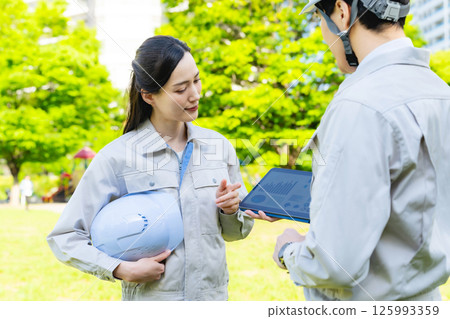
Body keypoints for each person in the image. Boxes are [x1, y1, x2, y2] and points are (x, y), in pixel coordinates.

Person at [247, 0, 450, 301]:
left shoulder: (360, 105)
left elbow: (334, 264)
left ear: (342, 12)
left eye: (318, 17)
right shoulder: (440, 91)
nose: (321, 34)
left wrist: (288, 250)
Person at [47, 35, 254, 301]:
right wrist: (120, 269)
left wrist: (231, 210)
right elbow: (65, 237)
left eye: (196, 80)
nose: (195, 94)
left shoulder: (219, 146)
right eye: (180, 89)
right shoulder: (117, 157)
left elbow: (237, 232)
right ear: (148, 96)